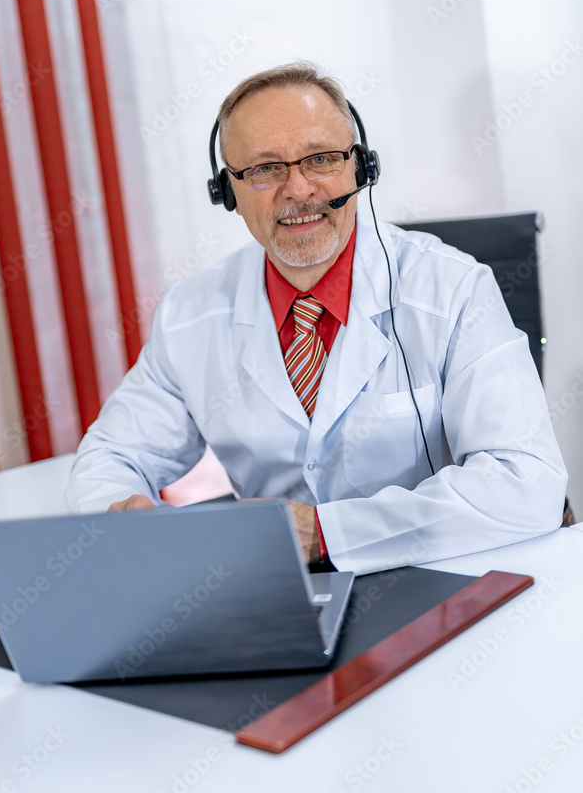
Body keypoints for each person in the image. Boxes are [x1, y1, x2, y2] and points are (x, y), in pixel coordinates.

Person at [66, 62, 567, 575]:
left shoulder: (455, 289)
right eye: (264, 169)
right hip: (273, 594)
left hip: (438, 580)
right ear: (227, 193)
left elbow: (526, 481)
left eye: (322, 158)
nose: (299, 188)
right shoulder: (190, 314)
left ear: (361, 169)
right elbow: (111, 457)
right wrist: (123, 517)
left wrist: (328, 534)